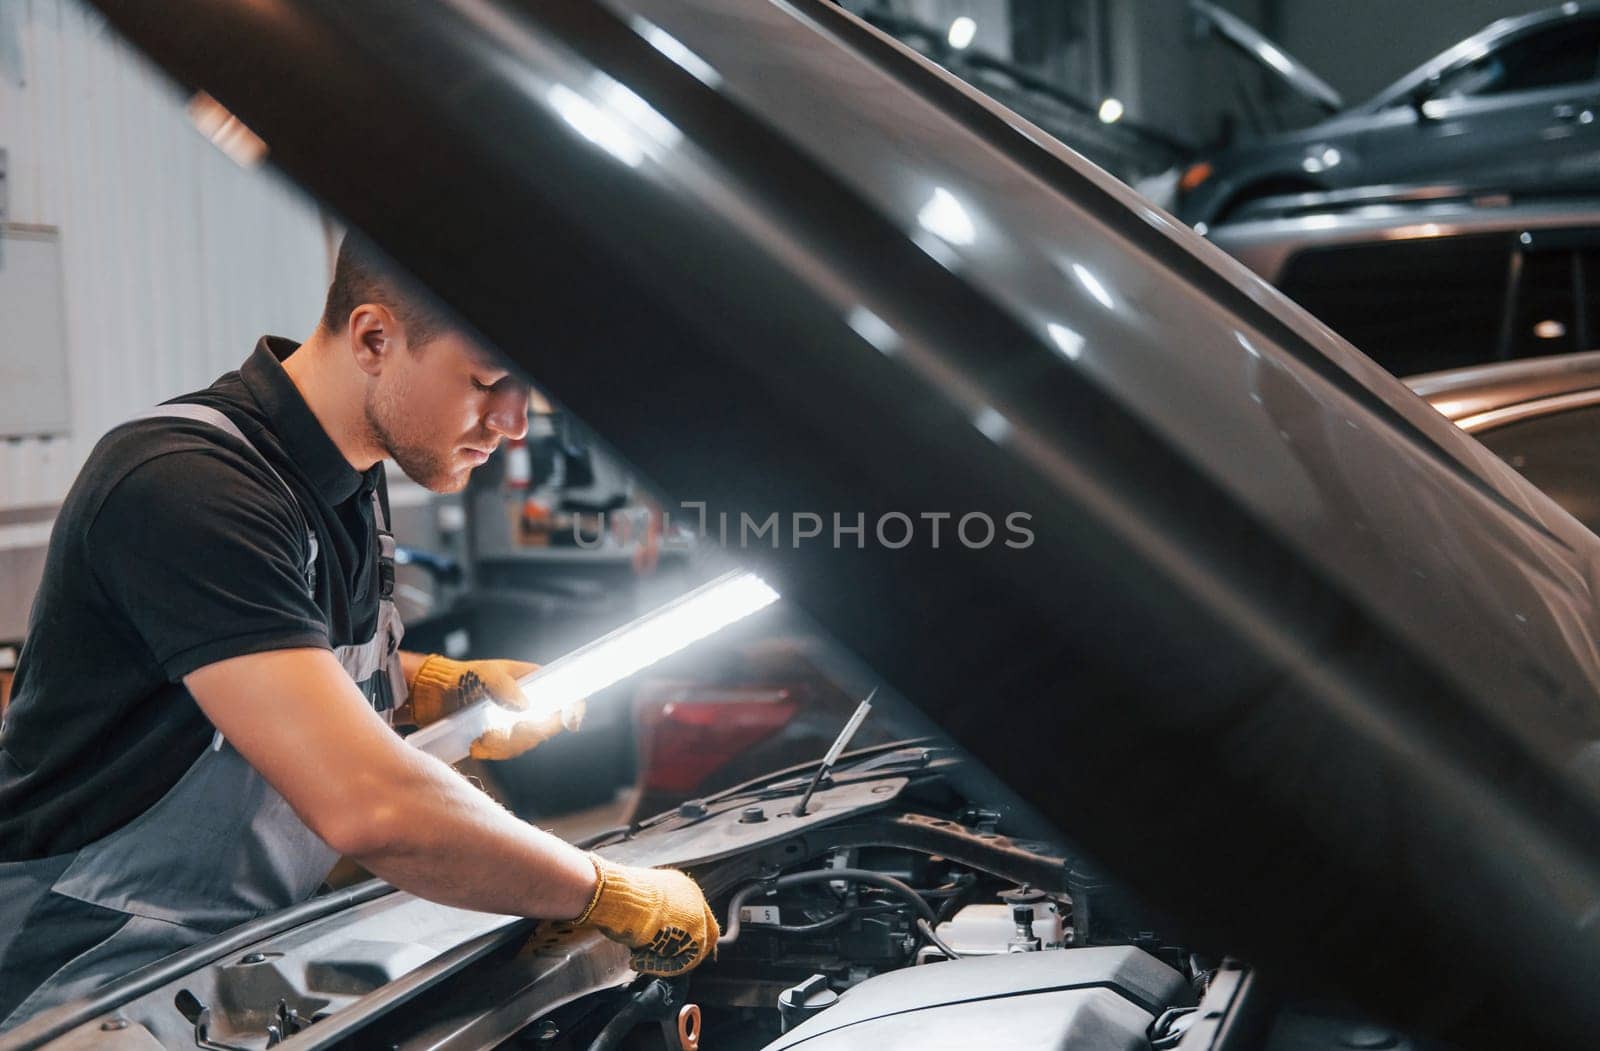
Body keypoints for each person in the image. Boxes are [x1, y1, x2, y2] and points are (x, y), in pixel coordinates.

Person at [0, 238, 717, 1029]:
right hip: (66, 990)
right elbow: (372, 805)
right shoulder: (187, 486)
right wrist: (601, 889)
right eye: (487, 381)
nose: (513, 423)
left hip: (217, 965)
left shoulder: (348, 478)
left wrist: (433, 684)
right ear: (375, 339)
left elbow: (276, 668)